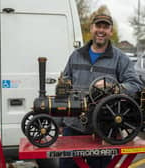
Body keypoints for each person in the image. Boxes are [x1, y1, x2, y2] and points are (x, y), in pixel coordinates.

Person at [60, 13, 143, 168]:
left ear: (111, 31)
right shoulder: (75, 56)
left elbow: (135, 84)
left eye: (106, 27)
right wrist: (58, 120)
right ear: (91, 28)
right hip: (73, 127)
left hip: (104, 129)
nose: (101, 30)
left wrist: (114, 88)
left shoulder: (120, 58)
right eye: (98, 26)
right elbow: (64, 89)